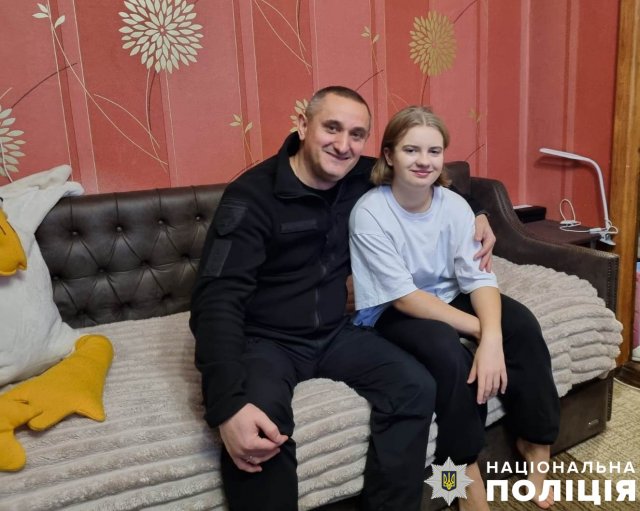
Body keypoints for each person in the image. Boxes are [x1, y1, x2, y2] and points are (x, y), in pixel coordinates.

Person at [190, 87, 496, 511]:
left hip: (337, 332)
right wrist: (226, 406)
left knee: (415, 387)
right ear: (303, 126)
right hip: (266, 341)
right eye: (331, 128)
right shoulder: (251, 197)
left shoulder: (357, 174)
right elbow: (216, 301)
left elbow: (427, 175)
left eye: (356, 134)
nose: (343, 144)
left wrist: (478, 212)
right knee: (261, 430)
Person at [349, 106, 561, 510]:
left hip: (447, 293)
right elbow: (404, 296)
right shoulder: (370, 213)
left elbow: (478, 278)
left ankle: (536, 444)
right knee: (447, 354)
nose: (424, 161)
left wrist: (495, 336)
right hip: (392, 308)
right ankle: (463, 475)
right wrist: (482, 332)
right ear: (389, 155)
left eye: (434, 151)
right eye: (411, 150)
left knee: (522, 326)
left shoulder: (454, 205)